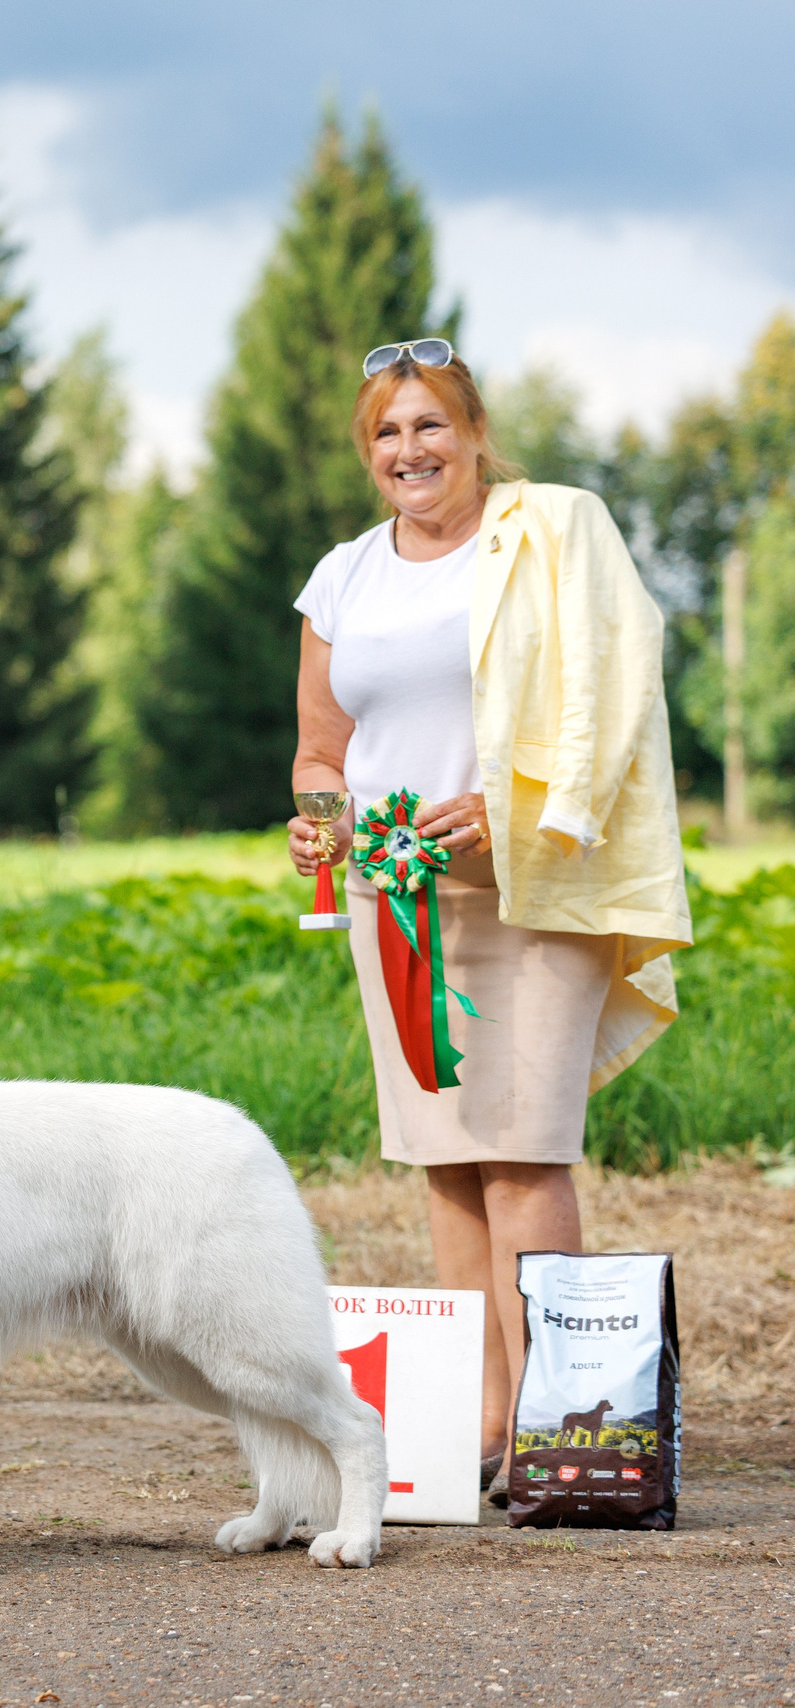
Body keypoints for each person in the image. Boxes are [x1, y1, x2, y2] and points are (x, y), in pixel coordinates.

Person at [284, 339, 692, 1494]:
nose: (409, 451)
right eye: (385, 434)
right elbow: (322, 747)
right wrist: (317, 822)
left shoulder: (551, 533)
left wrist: (515, 811)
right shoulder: (343, 575)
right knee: (444, 1159)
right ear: (367, 456)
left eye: (428, 426)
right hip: (391, 894)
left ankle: (562, 1424)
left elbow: (612, 678)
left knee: (518, 1149)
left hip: (527, 884)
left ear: (470, 434)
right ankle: (485, 1419)